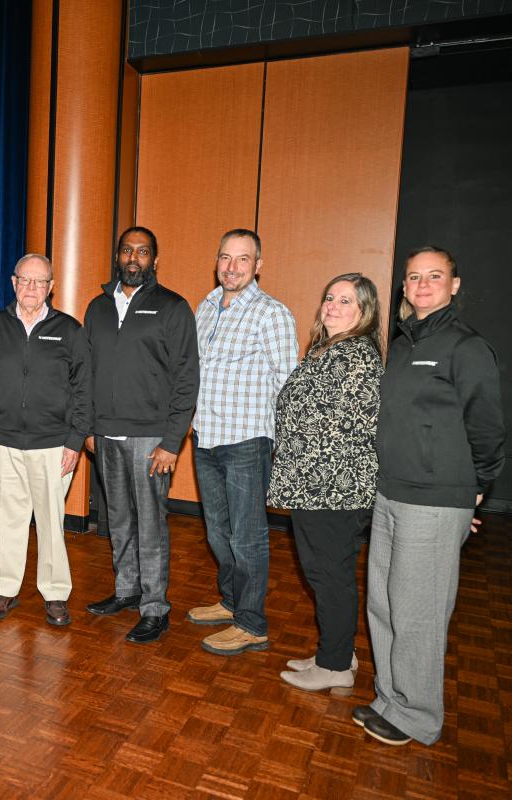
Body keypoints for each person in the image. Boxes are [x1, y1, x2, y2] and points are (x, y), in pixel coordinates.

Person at [356, 246, 505, 747]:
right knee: (383, 605)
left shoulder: (466, 348)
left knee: (418, 613)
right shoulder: (400, 344)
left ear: (454, 285)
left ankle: (417, 716)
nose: (422, 284)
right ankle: (389, 697)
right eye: (413, 277)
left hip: (434, 500)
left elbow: (487, 429)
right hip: (390, 492)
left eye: (434, 276)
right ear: (403, 286)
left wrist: (472, 493)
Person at [82, 226, 199, 644]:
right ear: (117, 256)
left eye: (143, 251)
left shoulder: (172, 307)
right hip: (106, 435)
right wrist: (89, 430)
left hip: (152, 438)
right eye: (127, 250)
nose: (134, 258)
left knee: (151, 524)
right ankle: (127, 590)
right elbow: (87, 374)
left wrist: (172, 441)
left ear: (155, 260)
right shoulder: (96, 308)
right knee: (119, 519)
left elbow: (187, 378)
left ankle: (154, 608)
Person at [267, 273, 383, 692]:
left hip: (333, 489)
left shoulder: (356, 357)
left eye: (345, 301)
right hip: (314, 486)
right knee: (324, 573)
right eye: (329, 297)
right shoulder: (327, 350)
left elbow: (343, 429)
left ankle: (334, 665)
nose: (332, 306)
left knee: (329, 575)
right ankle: (337, 653)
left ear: (364, 311)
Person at [188, 228, 297, 656]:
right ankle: (231, 601)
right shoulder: (207, 306)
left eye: (242, 259)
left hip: (247, 440)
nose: (232, 267)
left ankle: (252, 624)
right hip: (207, 437)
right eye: (225, 257)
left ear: (258, 266)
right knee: (218, 532)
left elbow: (287, 383)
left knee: (247, 536)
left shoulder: (272, 313)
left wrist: (283, 446)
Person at [0, 254, 91, 627]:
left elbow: (83, 391)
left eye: (40, 282)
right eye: (25, 280)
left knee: (51, 523)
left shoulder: (70, 331)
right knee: (8, 521)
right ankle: (5, 588)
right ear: (13, 282)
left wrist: (74, 442)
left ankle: (56, 594)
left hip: (53, 446)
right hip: (5, 443)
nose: (31, 289)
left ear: (51, 287)